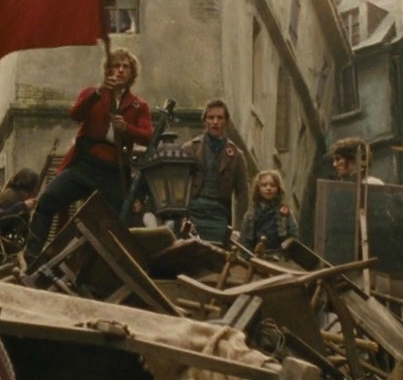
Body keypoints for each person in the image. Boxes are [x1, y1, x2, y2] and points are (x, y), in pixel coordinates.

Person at [25, 48, 152, 257]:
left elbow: (148, 136)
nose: (120, 70)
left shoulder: (139, 106)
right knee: (48, 199)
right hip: (85, 165)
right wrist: (98, 93)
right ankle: (32, 255)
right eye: (116, 66)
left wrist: (126, 129)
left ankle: (102, 266)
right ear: (108, 70)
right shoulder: (92, 93)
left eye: (125, 67)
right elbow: (75, 114)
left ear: (132, 73)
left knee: (118, 222)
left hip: (114, 171)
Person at [180, 98, 247, 243]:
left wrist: (237, 229)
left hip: (219, 217)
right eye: (211, 118)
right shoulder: (189, 149)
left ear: (226, 121)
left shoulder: (236, 155)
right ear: (204, 120)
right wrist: (182, 218)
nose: (215, 122)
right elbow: (179, 187)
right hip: (193, 214)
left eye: (220, 118)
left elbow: (243, 195)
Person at [238, 169, 298, 258]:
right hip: (255, 255)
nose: (268, 188)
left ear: (278, 188)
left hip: (279, 255)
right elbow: (244, 239)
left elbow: (294, 234)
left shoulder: (284, 211)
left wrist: (288, 242)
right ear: (258, 188)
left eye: (273, 185)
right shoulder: (251, 213)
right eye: (264, 185)